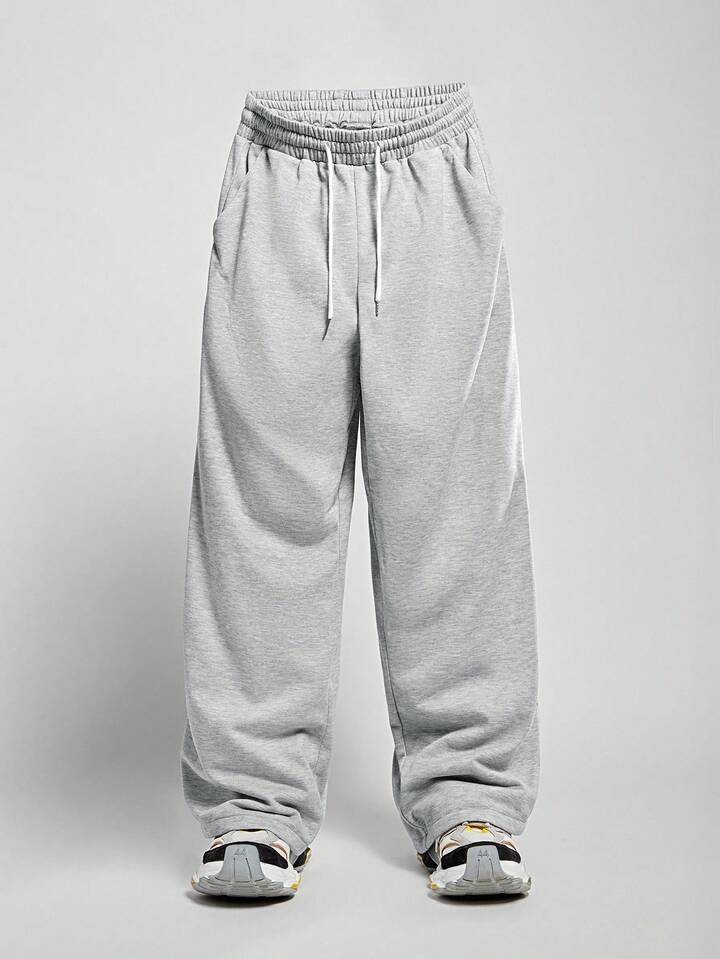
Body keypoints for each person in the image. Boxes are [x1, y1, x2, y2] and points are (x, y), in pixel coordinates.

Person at [182, 83, 539, 899]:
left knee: (455, 502)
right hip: (276, 182)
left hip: (437, 178)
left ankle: (471, 794)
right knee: (260, 508)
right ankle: (254, 800)